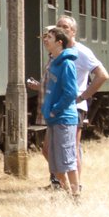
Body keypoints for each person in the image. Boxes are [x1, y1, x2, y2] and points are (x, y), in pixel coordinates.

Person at [54, 15, 107, 188]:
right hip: (58, 106)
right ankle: (63, 185)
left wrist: (83, 96)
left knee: (72, 148)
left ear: (74, 31)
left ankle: (75, 188)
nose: (62, 29)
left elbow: (102, 75)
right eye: (59, 26)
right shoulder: (58, 51)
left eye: (66, 27)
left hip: (74, 107)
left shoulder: (82, 51)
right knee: (49, 149)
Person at [40, 26, 80, 197]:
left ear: (59, 42)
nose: (45, 39)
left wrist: (55, 110)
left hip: (64, 118)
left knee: (67, 160)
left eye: (49, 37)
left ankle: (76, 195)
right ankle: (66, 195)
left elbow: (71, 92)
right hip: (53, 119)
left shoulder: (67, 64)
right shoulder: (53, 63)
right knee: (55, 164)